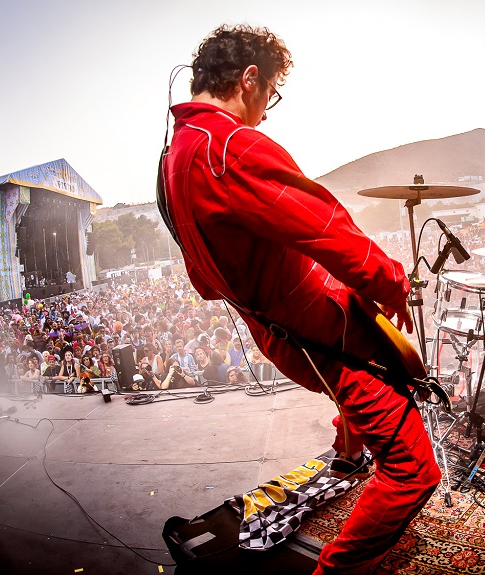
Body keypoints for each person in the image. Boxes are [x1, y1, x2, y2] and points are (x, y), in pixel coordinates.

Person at [158, 24, 439, 574]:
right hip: (325, 336)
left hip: (279, 335)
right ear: (249, 79)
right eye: (271, 92)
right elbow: (325, 226)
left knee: (355, 392)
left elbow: (203, 281)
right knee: (413, 469)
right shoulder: (230, 147)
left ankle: (347, 453)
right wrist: (391, 283)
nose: (267, 111)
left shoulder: (175, 158)